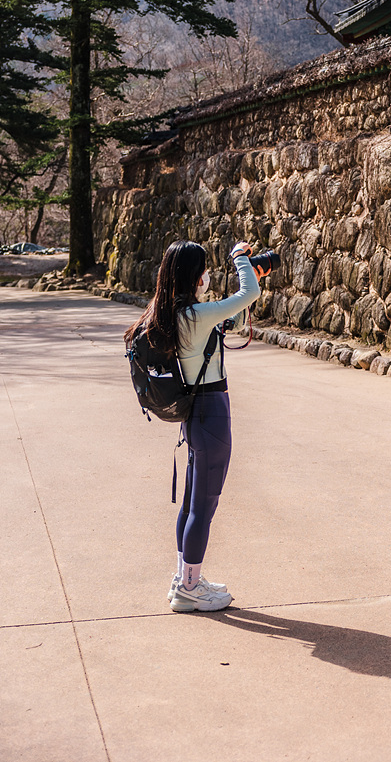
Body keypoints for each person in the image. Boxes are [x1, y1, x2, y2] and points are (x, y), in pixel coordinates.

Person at [125, 238, 263, 612]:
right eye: (203, 268)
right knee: (204, 504)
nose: (207, 274)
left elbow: (221, 323)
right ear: (194, 275)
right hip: (212, 412)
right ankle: (190, 589)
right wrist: (241, 259)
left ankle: (185, 578)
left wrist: (231, 310)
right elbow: (249, 293)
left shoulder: (170, 311)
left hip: (194, 415)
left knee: (191, 503)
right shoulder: (195, 315)